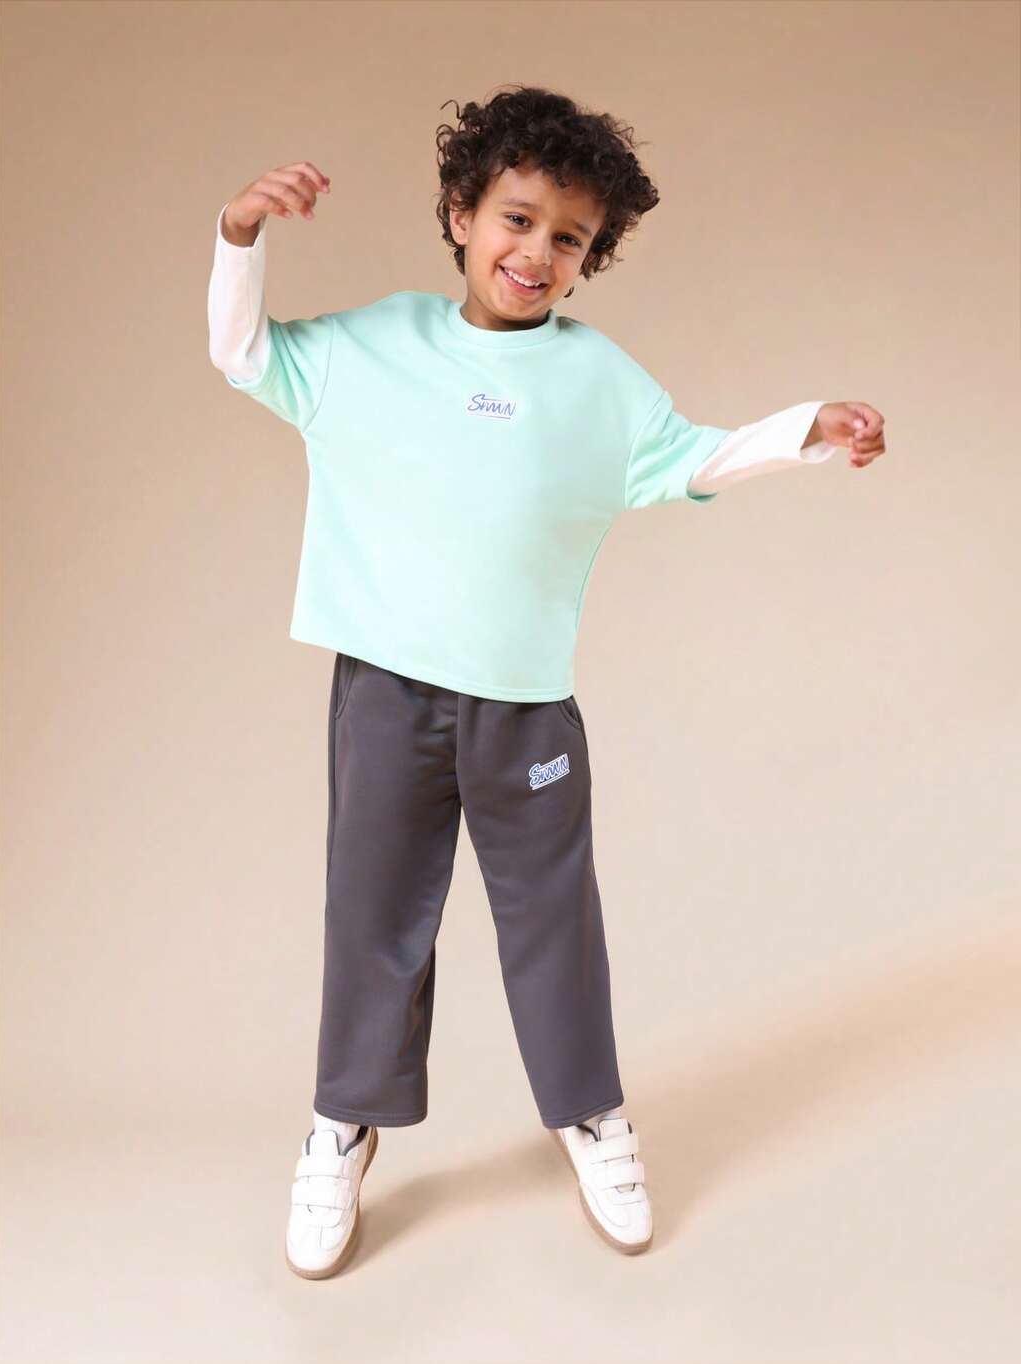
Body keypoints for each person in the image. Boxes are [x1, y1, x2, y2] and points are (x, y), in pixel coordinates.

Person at [206, 85, 886, 1277]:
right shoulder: (375, 344)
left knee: (552, 917)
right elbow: (244, 353)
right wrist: (238, 236)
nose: (536, 252)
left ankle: (590, 1113)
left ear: (590, 256)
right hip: (387, 694)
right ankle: (342, 1122)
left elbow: (690, 459)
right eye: (516, 220)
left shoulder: (598, 381)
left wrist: (806, 430)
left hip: (523, 705)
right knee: (371, 914)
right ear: (461, 215)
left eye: (568, 238)